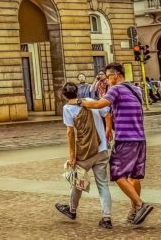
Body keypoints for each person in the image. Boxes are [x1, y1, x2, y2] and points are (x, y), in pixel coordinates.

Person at [80, 63, 153, 226]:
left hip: (125, 138)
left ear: (115, 75)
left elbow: (99, 105)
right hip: (140, 138)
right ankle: (134, 211)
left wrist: (80, 102)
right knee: (134, 176)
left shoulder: (116, 89)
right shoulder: (136, 90)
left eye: (107, 77)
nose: (106, 81)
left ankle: (140, 205)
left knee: (118, 175)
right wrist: (109, 125)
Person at [54, 82, 112, 229]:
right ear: (78, 92)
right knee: (103, 185)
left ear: (64, 95)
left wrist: (72, 156)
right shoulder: (91, 102)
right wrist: (108, 130)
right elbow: (107, 112)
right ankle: (106, 217)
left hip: (84, 153)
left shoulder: (67, 109)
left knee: (78, 182)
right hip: (101, 149)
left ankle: (72, 210)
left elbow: (70, 133)